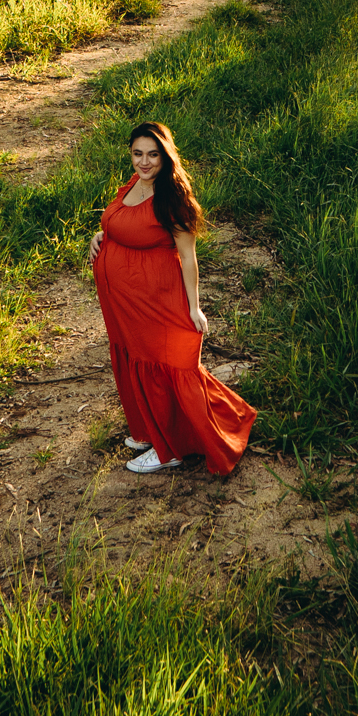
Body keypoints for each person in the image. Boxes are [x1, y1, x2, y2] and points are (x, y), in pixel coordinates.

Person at [89, 121, 256, 475]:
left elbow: (188, 258)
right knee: (139, 359)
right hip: (125, 304)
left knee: (164, 365)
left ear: (166, 157)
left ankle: (170, 449)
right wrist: (102, 235)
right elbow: (121, 221)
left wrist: (194, 307)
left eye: (153, 155)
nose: (144, 162)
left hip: (157, 299)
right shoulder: (133, 184)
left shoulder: (173, 201)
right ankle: (151, 430)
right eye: (137, 154)